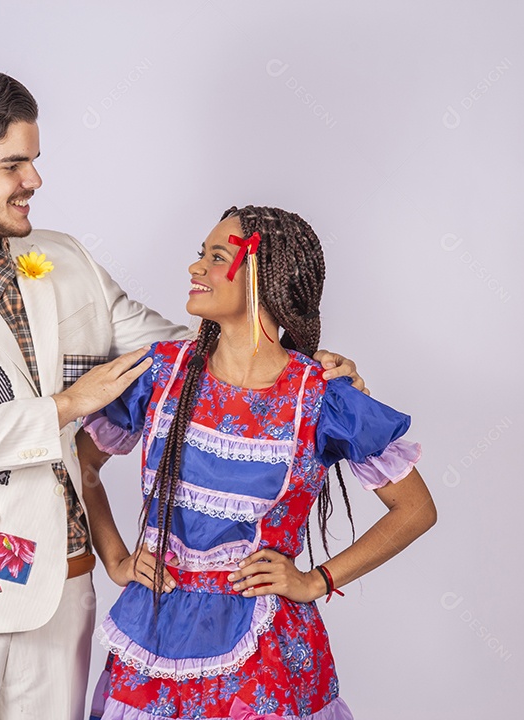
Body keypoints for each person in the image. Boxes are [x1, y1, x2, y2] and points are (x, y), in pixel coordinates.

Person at [0, 70, 364, 720]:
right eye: (14, 165)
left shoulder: (58, 258)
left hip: (65, 583)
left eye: (36, 160)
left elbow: (178, 357)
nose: (35, 181)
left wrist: (296, 370)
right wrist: (68, 405)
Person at [79, 205, 437, 719]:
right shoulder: (162, 373)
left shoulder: (322, 397)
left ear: (264, 276)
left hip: (264, 651)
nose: (195, 268)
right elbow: (84, 464)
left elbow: (415, 508)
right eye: (200, 254)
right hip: (152, 637)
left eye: (216, 256)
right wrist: (115, 557)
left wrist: (317, 580)